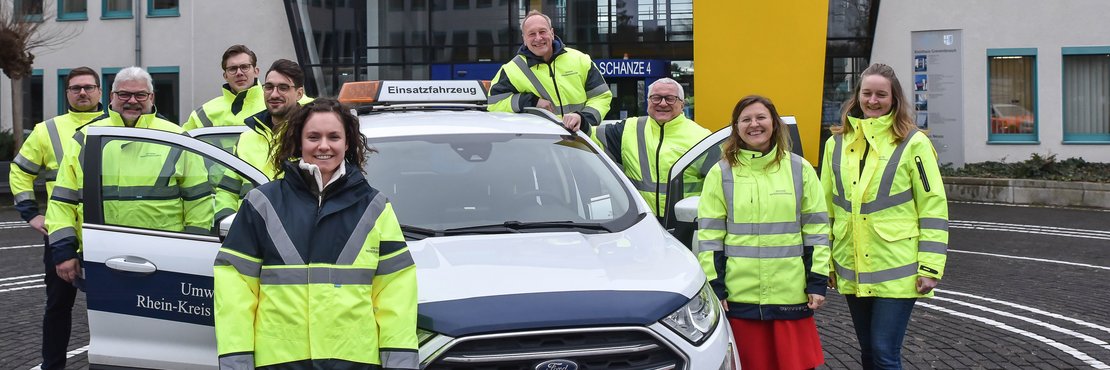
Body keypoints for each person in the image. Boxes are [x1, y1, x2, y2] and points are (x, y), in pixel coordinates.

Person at [214, 98, 418, 369]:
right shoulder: (261, 204)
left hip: (354, 361)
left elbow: (396, 293)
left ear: (347, 143)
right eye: (313, 137)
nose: (324, 145)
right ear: (299, 142)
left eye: (334, 136)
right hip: (280, 362)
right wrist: (236, 361)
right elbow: (234, 292)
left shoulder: (375, 207)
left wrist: (400, 362)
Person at [821, 63, 948, 370]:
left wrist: (930, 266)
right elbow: (824, 209)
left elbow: (932, 207)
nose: (873, 101)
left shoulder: (913, 143)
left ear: (894, 99)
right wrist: (825, 262)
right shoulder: (835, 144)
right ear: (857, 96)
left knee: (883, 351)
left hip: (897, 266)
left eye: (881, 94)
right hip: (852, 265)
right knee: (868, 351)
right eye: (867, 93)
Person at [46, 66, 213, 286]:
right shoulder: (86, 138)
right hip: (104, 254)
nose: (132, 100)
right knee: (107, 318)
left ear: (151, 97)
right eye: (124, 94)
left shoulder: (177, 137)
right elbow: (62, 201)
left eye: (140, 94)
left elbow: (199, 202)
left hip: (166, 255)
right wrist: (65, 252)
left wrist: (194, 250)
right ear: (112, 96)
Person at [698, 95, 830, 370]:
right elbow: (710, 238)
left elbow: (816, 230)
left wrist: (817, 280)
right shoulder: (720, 173)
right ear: (736, 126)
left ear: (774, 123)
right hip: (739, 295)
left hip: (790, 293)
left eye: (761, 117)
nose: (754, 124)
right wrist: (715, 285)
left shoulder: (799, 169)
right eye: (745, 119)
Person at [9, 67, 103, 370]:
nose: (83, 93)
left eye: (88, 87)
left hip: (105, 235)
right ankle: (53, 366)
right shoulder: (47, 130)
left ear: (100, 91)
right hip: (62, 235)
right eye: (75, 88)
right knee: (58, 307)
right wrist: (31, 214)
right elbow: (20, 171)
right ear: (67, 94)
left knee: (108, 310)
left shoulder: (114, 125)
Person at [591, 78, 709, 219]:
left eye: (670, 98)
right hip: (640, 223)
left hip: (685, 223)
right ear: (648, 101)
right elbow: (586, 134)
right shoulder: (629, 129)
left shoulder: (702, 137)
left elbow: (717, 186)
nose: (663, 103)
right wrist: (575, 118)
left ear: (682, 104)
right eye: (656, 98)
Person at [213, 59, 309, 221]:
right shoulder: (246, 138)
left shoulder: (310, 137)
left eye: (283, 88)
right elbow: (227, 191)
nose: (274, 94)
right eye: (269, 87)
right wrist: (227, 223)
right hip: (249, 235)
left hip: (295, 235)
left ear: (299, 93)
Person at [487, 10, 612, 133]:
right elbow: (494, 104)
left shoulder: (580, 59)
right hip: (542, 146)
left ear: (552, 33)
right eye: (531, 34)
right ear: (524, 39)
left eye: (542, 31)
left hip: (581, 142)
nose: (538, 38)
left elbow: (601, 96)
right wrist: (531, 101)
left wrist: (583, 119)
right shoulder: (511, 70)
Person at [182, 44, 265, 133]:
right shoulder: (205, 113)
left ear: (256, 72)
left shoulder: (272, 105)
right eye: (233, 69)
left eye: (244, 67)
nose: (239, 73)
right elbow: (180, 143)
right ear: (225, 76)